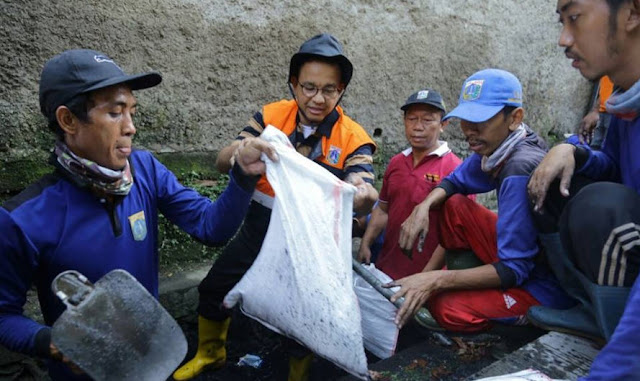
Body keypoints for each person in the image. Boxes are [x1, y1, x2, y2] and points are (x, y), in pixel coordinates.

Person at [0, 49, 275, 381]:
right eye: (115, 113)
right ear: (68, 120)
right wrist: (53, 343)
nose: (130, 127)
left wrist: (244, 175)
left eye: (132, 111)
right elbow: (4, 316)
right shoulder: (24, 219)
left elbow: (211, 227)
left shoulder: (144, 170)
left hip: (153, 365)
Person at [173, 33, 378, 381]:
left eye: (329, 89)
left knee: (307, 315)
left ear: (341, 90)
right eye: (309, 87)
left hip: (310, 241)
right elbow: (223, 160)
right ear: (294, 85)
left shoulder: (353, 137)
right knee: (214, 286)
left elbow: (364, 184)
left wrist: (362, 194)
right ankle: (211, 353)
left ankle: (297, 374)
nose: (318, 98)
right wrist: (245, 149)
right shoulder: (270, 116)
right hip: (259, 225)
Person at [391, 69, 573, 332]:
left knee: (446, 308)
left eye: (480, 121)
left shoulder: (518, 169)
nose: (469, 131)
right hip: (523, 259)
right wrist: (423, 207)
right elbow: (457, 181)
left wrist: (436, 280)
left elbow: (514, 269)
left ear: (514, 118)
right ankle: (478, 281)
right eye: (466, 119)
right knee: (452, 204)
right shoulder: (501, 143)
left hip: (544, 283)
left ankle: (521, 322)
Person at [527, 0, 640, 379]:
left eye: (574, 18)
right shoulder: (628, 100)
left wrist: (610, 371)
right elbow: (617, 168)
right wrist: (571, 150)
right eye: (561, 21)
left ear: (632, 13)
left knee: (599, 205)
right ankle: (595, 310)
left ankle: (616, 329)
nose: (564, 39)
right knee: (549, 185)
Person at [357, 88, 463, 281]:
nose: (418, 127)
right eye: (412, 119)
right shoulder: (397, 162)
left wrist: (424, 280)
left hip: (426, 278)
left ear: (443, 124)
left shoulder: (456, 170)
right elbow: (382, 209)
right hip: (385, 270)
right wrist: (366, 242)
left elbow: (455, 236)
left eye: (427, 120)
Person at [577, 75, 614, 148]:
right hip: (603, 112)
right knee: (595, 147)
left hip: (617, 114)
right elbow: (607, 89)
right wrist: (596, 110)